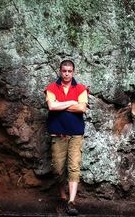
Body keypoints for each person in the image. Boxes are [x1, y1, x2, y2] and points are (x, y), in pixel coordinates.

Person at [45, 60, 88, 216]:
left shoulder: (81, 88)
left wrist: (60, 104)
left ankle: (71, 201)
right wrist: (71, 102)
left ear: (73, 72)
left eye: (70, 71)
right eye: (64, 71)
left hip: (76, 134)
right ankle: (62, 197)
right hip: (58, 134)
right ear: (60, 71)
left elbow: (82, 108)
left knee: (74, 167)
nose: (67, 74)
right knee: (57, 168)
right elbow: (51, 107)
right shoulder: (52, 88)